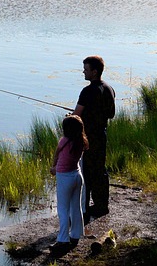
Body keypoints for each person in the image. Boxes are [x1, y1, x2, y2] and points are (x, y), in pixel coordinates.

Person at [73, 55, 115, 222]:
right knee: (100, 170)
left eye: (86, 69)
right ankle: (101, 205)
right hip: (101, 136)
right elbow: (111, 114)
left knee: (86, 172)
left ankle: (85, 209)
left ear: (94, 71)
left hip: (88, 138)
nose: (83, 71)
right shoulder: (109, 89)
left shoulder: (87, 91)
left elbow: (77, 115)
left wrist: (71, 116)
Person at [49, 114, 88, 254]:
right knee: (76, 207)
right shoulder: (81, 141)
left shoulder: (63, 141)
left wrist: (53, 168)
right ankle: (75, 235)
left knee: (63, 209)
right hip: (77, 176)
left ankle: (63, 240)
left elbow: (57, 155)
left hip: (65, 177)